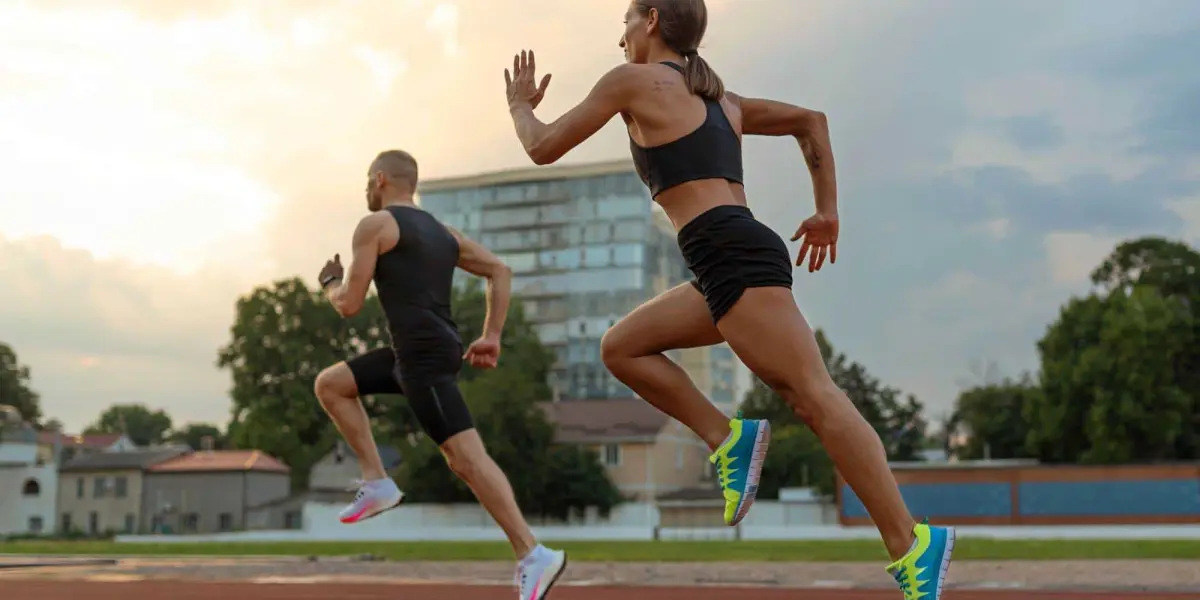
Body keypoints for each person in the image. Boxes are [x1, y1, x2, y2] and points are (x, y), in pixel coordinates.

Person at [501, 1, 954, 598]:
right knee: (622, 348)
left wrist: (519, 108)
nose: (621, 38)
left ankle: (911, 543)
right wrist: (826, 209)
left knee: (816, 397)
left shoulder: (631, 82)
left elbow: (543, 147)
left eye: (627, 23)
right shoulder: (724, 101)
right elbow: (810, 120)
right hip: (724, 259)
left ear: (653, 20)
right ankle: (727, 438)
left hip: (730, 253)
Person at [313, 149, 567, 600]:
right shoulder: (443, 233)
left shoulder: (374, 226)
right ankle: (377, 481)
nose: (366, 190)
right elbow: (499, 270)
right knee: (331, 384)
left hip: (422, 356)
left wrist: (331, 284)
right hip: (421, 351)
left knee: (465, 458)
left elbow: (350, 304)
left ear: (379, 179)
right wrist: (491, 334)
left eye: (366, 182)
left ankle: (532, 552)